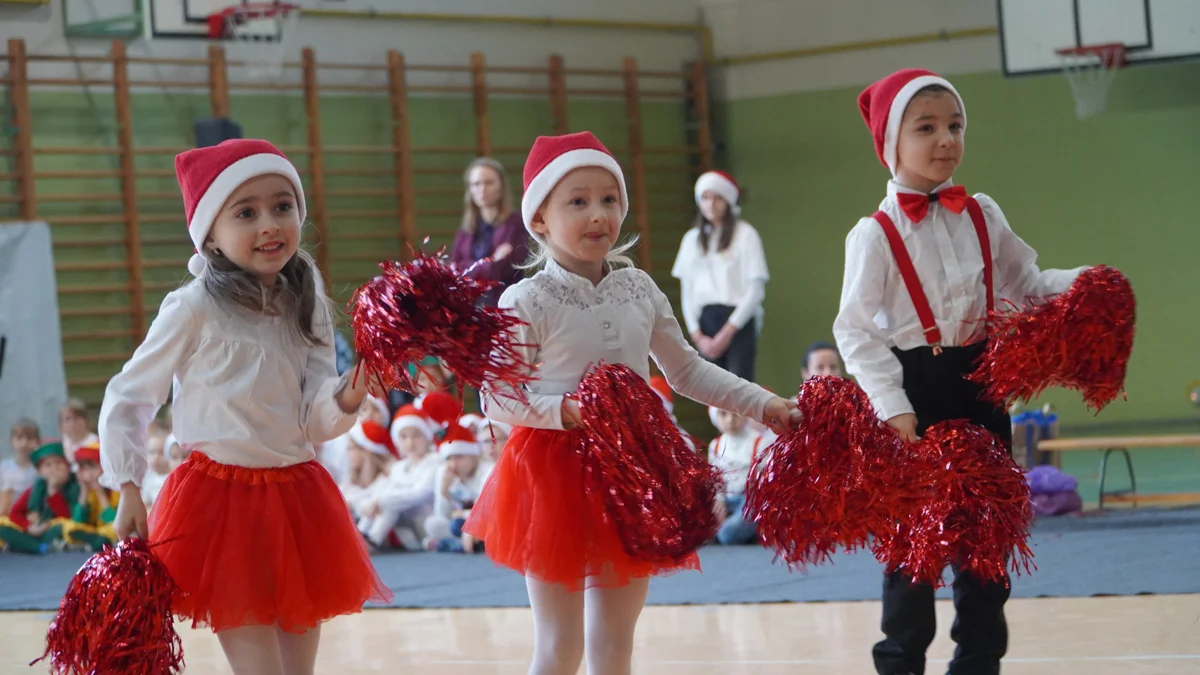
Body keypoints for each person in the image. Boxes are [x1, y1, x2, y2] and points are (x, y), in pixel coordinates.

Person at [464, 132, 801, 675]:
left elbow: (687, 369)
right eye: (578, 201)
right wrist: (564, 411)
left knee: (615, 646)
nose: (598, 214)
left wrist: (765, 404)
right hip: (555, 478)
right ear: (540, 219)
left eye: (609, 199)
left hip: (633, 474)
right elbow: (497, 394)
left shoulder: (639, 289)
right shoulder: (525, 299)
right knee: (558, 646)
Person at [99, 139, 392, 675]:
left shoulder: (307, 302)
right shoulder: (192, 308)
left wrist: (352, 391)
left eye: (282, 206)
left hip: (299, 501)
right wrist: (127, 484)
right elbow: (128, 395)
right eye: (246, 212)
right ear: (210, 234)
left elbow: (315, 419)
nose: (269, 225)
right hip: (219, 506)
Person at [835, 68, 1089, 675]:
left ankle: (978, 664)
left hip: (982, 390)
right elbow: (854, 330)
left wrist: (1080, 284)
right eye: (927, 128)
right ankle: (901, 663)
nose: (946, 139)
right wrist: (892, 408)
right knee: (912, 555)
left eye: (955, 126)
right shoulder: (873, 235)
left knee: (986, 550)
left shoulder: (983, 213)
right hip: (912, 400)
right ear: (890, 144)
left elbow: (1025, 287)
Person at [670, 171, 769, 381]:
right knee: (711, 390)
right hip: (706, 322)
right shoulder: (691, 240)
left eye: (717, 198)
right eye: (705, 198)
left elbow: (755, 290)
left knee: (741, 387)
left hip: (737, 321)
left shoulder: (746, 234)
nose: (711, 204)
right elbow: (687, 294)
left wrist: (728, 332)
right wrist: (697, 335)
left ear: (728, 201)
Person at [451, 157, 530, 307]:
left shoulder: (515, 224)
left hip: (504, 306)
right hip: (469, 307)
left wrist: (473, 268)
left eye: (489, 183)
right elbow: (454, 270)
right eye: (476, 184)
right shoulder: (467, 228)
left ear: (501, 186)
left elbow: (507, 269)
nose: (482, 189)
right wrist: (491, 262)